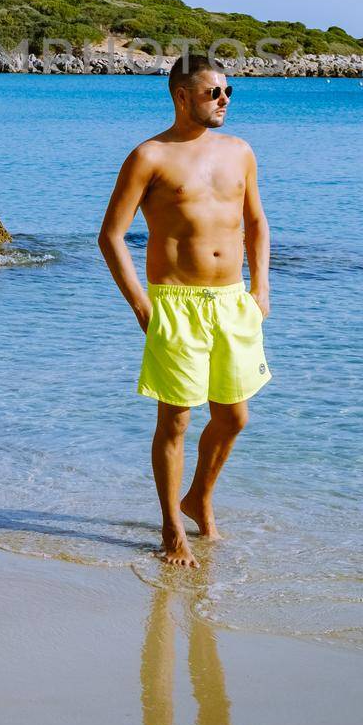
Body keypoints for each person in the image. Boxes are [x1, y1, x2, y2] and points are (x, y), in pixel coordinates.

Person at [98, 55, 271, 567]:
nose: (224, 100)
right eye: (212, 92)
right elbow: (111, 236)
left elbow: (257, 224)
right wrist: (140, 302)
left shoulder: (240, 152)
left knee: (234, 416)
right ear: (181, 95)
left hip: (231, 300)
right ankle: (173, 527)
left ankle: (199, 498)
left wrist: (260, 290)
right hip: (174, 302)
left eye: (228, 91)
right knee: (175, 421)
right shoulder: (149, 156)